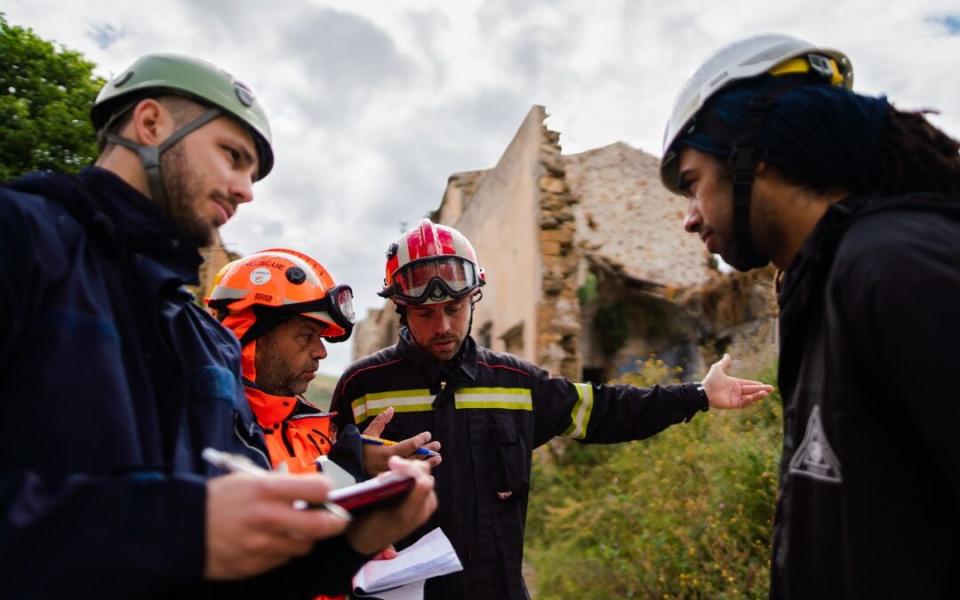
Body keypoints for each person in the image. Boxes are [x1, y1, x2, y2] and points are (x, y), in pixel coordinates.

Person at [0, 53, 436, 598]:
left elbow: (231, 550)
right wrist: (176, 528)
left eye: (251, 174)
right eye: (233, 156)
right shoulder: (20, 239)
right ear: (151, 123)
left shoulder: (203, 342)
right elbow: (188, 530)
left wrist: (349, 540)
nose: (246, 190)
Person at [659, 33, 960, 599]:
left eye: (693, 184)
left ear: (757, 155)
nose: (690, 219)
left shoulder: (893, 267)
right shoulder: (825, 284)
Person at [330, 218, 774, 599]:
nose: (443, 325)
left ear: (473, 298)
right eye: (425, 313)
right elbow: (312, 471)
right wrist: (353, 454)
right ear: (401, 310)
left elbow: (606, 409)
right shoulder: (361, 385)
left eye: (454, 307)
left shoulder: (517, 383)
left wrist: (698, 394)